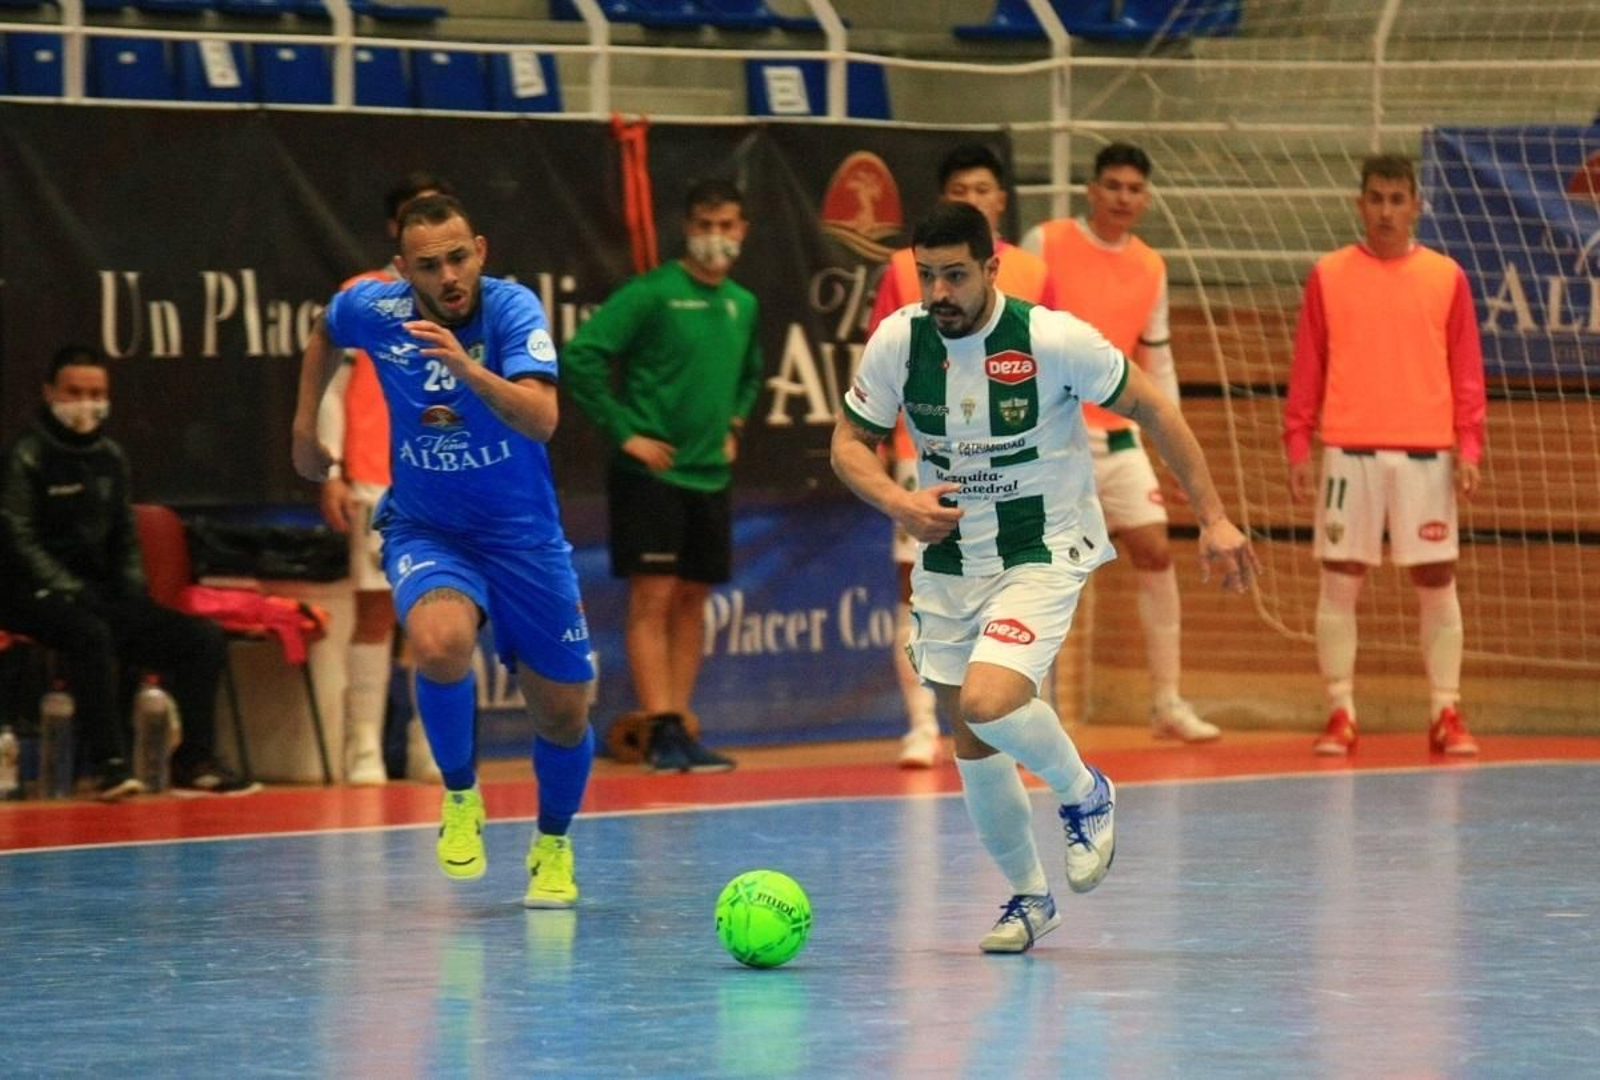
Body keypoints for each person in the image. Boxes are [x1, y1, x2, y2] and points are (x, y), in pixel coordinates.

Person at [832, 202, 1256, 953]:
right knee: (971, 738)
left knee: (990, 700)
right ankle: (1030, 898)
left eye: (955, 275)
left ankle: (1085, 790)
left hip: (1042, 549)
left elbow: (1156, 409)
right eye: (927, 276)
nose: (939, 293)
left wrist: (1215, 517)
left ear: (992, 268)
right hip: (950, 561)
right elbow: (849, 443)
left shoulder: (1052, 339)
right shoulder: (900, 339)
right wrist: (899, 502)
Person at [291, 194, 595, 906]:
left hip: (522, 536)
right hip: (429, 527)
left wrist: (467, 369)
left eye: (459, 258)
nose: (449, 276)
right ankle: (460, 795)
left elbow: (542, 418)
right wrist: (306, 430)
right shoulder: (376, 308)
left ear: (480, 250)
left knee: (563, 713)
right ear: (404, 270)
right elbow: (324, 330)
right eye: (429, 266)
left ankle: (552, 844)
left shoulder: (513, 309)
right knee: (438, 643)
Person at [1284, 153, 1487, 758]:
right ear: (1360, 203)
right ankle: (1340, 711)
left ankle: (1445, 710)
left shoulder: (1447, 277)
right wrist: (1298, 442)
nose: (1386, 211)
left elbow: (1467, 371)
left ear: (1416, 206)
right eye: (1376, 198)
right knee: (1341, 579)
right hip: (1350, 453)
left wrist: (1469, 445)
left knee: (1436, 578)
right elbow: (1308, 366)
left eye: (1398, 199)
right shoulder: (1329, 274)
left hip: (1428, 455)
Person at [562, 179, 762, 774]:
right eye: (705, 225)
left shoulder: (744, 303)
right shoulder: (651, 293)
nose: (715, 237)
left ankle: (682, 723)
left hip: (710, 475)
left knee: (693, 599)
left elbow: (750, 374)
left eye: (726, 226)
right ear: (688, 228)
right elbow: (581, 355)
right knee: (653, 597)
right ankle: (660, 728)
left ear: (742, 231)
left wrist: (734, 421)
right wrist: (624, 432)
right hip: (651, 475)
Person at [1022, 142, 1219, 743]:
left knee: (1155, 551)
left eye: (1134, 189)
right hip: (1054, 436)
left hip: (1120, 435)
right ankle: (1033, 710)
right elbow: (1016, 338)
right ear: (1091, 190)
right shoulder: (1046, 242)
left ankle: (1166, 703)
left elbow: (1158, 361)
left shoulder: (1151, 266)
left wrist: (1174, 447)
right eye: (1112, 185)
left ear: (1146, 198)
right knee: (1044, 569)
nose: (1122, 197)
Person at [0, 346, 257, 799]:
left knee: (200, 639)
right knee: (90, 633)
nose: (86, 403)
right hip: (29, 594)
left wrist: (133, 591)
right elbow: (18, 538)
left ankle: (194, 761)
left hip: (101, 593)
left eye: (96, 393)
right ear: (49, 392)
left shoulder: (110, 457)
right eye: (74, 392)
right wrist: (70, 589)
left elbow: (125, 536)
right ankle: (109, 765)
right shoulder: (26, 455)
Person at [867, 143, 1053, 768]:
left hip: (1014, 464)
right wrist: (883, 447)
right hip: (925, 457)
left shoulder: (1033, 271)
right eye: (959, 191)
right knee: (917, 589)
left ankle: (1023, 721)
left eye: (982, 189)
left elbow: (1053, 372)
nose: (972, 199)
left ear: (1000, 200)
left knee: (1024, 582)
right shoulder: (903, 270)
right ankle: (923, 725)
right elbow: (878, 364)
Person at [316, 171, 451, 786]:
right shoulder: (362, 297)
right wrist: (333, 471)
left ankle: (429, 747)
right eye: (415, 215)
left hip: (443, 480)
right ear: (396, 229)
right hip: (375, 478)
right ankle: (363, 749)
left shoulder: (464, 299)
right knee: (376, 612)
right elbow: (331, 388)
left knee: (435, 612)